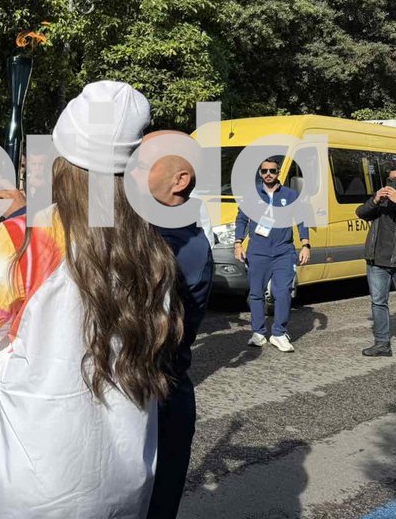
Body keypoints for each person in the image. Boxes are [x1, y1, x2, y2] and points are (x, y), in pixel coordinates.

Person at [0, 81, 183, 519]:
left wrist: (0, 246)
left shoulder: (24, 238)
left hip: (36, 484)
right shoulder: (152, 248)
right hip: (122, 483)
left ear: (63, 160)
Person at [133, 131, 213, 519]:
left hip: (157, 404)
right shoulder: (135, 223)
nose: (129, 168)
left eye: (143, 162)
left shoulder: (185, 246)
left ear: (179, 181)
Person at [0, 152, 48, 392]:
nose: (31, 170)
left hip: (23, 265)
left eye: (37, 165)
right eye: (28, 165)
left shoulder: (45, 199)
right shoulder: (9, 193)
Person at [234, 157, 310, 352]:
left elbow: (302, 220)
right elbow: (241, 219)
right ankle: (258, 333)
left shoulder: (290, 194)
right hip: (258, 252)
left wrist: (305, 244)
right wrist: (238, 243)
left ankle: (278, 333)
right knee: (256, 293)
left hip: (284, 251)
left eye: (272, 171)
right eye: (264, 171)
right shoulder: (250, 196)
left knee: (283, 292)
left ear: (278, 173)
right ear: (260, 173)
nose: (268, 174)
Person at [354, 162, 396, 357]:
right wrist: (375, 199)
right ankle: (382, 344)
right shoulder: (382, 197)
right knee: (378, 302)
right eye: (392, 178)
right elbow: (360, 213)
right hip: (377, 261)